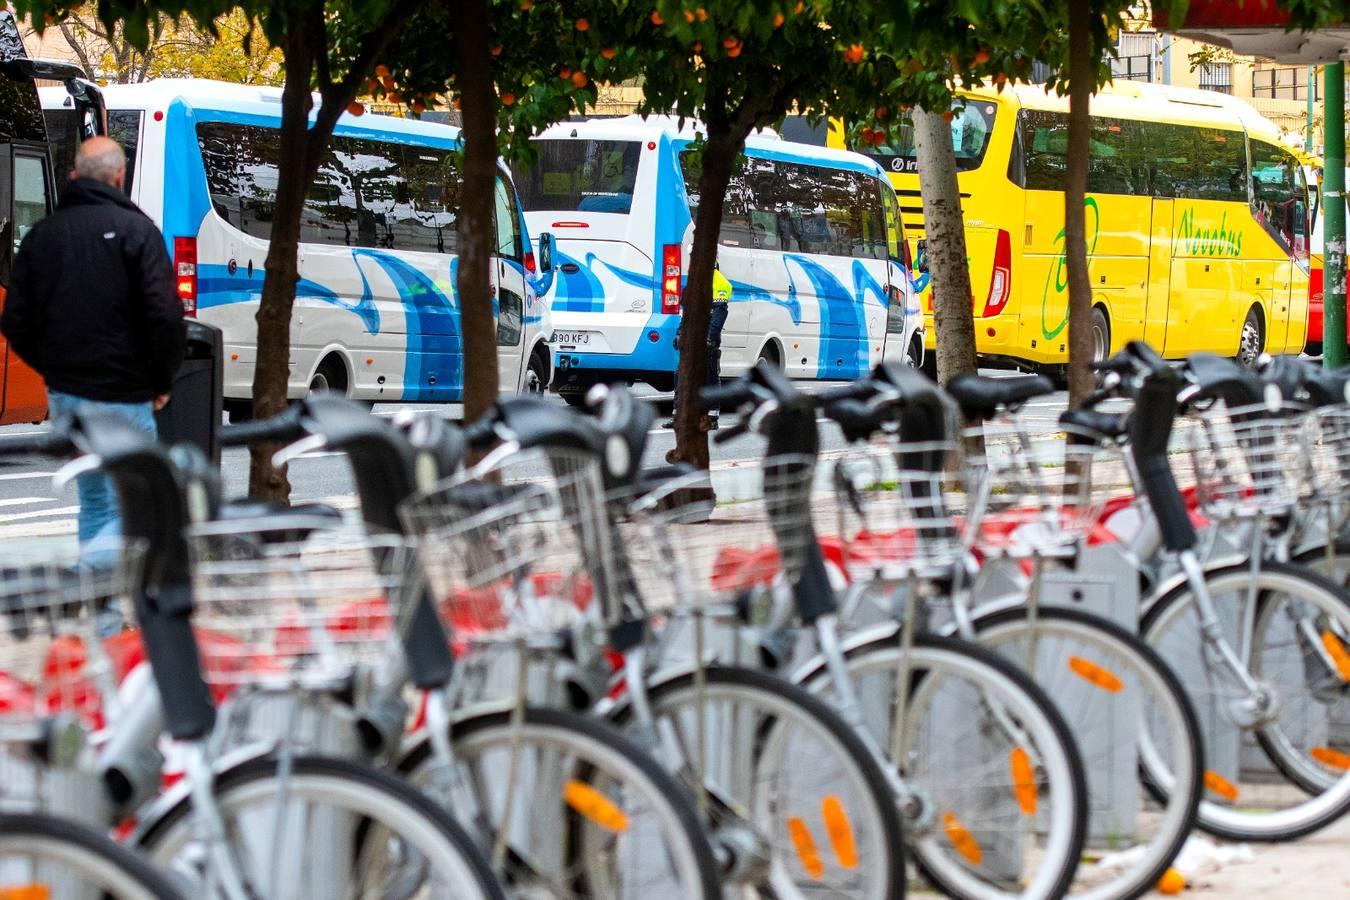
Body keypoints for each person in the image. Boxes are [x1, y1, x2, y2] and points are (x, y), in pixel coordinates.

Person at [0, 136, 183, 548]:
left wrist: (55, 369)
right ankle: (95, 584)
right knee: (135, 502)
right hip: (127, 390)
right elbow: (165, 316)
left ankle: (104, 606)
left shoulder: (43, 235)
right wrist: (159, 381)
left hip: (68, 393)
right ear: (120, 177)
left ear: (73, 176)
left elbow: (15, 320)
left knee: (97, 501)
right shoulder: (138, 232)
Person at [663, 263, 732, 431]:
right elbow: (687, 313)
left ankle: (711, 417)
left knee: (710, 374)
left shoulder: (719, 281)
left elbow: (720, 312)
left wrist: (711, 337)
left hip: (707, 334)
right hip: (691, 336)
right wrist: (680, 333)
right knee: (681, 375)